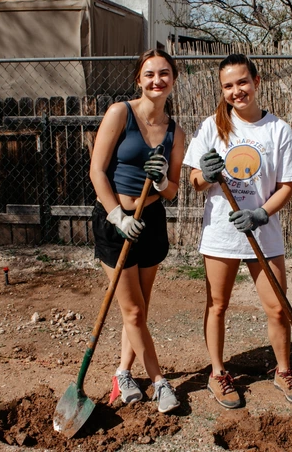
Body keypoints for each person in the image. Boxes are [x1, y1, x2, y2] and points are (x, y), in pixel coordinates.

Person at [183, 53, 292, 409]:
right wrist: (205, 175)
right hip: (221, 232)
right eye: (228, 86)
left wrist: (260, 214)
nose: (237, 91)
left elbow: (286, 185)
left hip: (262, 234)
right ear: (222, 90)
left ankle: (283, 370)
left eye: (242, 82)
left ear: (256, 82)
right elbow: (193, 181)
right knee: (217, 305)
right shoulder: (212, 127)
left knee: (277, 307)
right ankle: (218, 374)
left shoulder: (277, 130)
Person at [89, 49, 185, 413]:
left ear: (173, 80)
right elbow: (97, 170)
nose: (156, 80)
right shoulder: (120, 113)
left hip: (151, 220)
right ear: (138, 80)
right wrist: (116, 216)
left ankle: (123, 373)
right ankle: (160, 382)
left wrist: (160, 179)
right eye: (149, 74)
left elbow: (173, 189)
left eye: (164, 74)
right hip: (116, 222)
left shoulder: (175, 132)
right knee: (133, 311)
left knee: (140, 310)